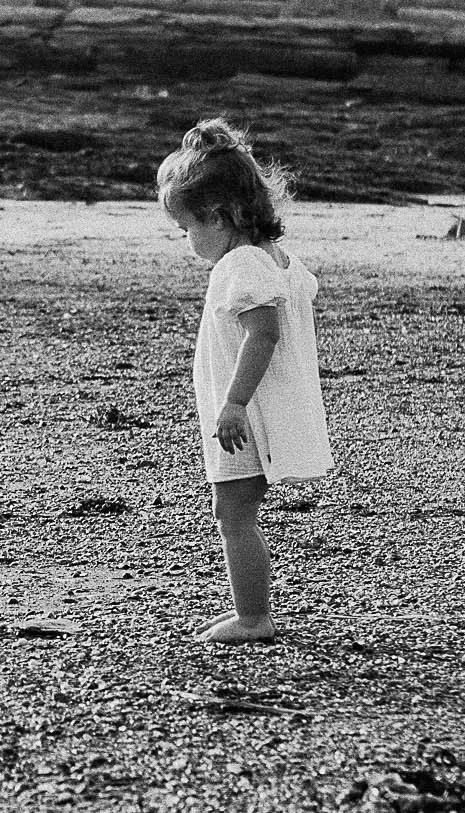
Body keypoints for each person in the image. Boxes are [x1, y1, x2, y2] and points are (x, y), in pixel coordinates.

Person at [158, 119, 333, 644]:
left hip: (247, 417)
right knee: (236, 510)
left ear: (217, 215)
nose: (187, 240)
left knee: (231, 512)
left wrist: (233, 403)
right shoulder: (278, 260)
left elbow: (264, 333)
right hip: (265, 411)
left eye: (186, 228)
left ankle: (254, 616)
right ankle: (252, 611)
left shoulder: (239, 264)